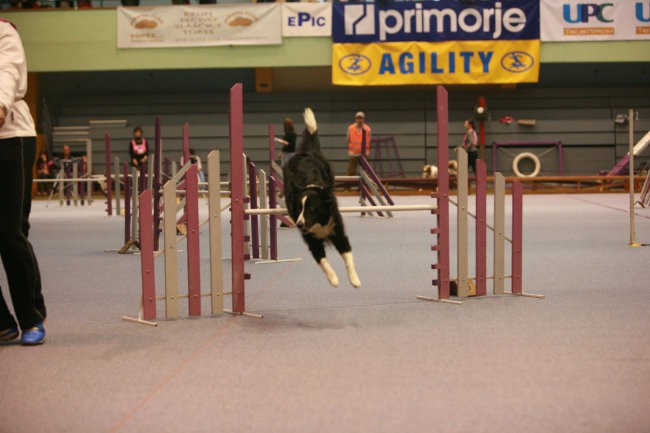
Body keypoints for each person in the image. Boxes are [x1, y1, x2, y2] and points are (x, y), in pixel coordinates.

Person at [0, 18, 47, 345]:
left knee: (9, 231)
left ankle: (31, 315)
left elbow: (9, 75)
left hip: (9, 137)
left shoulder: (5, 31)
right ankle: (3, 320)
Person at [346, 111, 371, 176]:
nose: (359, 120)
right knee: (351, 172)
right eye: (358, 118)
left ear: (363, 119)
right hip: (353, 154)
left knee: (365, 173)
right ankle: (348, 186)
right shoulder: (350, 128)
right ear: (355, 119)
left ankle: (363, 186)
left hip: (364, 154)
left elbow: (369, 140)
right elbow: (347, 140)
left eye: (361, 118)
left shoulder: (367, 129)